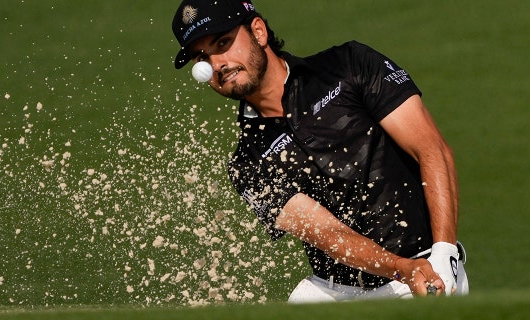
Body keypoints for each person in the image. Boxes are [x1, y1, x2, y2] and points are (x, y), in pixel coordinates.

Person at [171, 0, 468, 303]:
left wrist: (445, 254)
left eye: (223, 42)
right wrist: (401, 268)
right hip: (337, 290)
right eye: (202, 57)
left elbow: (432, 149)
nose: (217, 64)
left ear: (258, 32)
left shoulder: (349, 65)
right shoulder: (248, 163)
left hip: (427, 264)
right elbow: (328, 235)